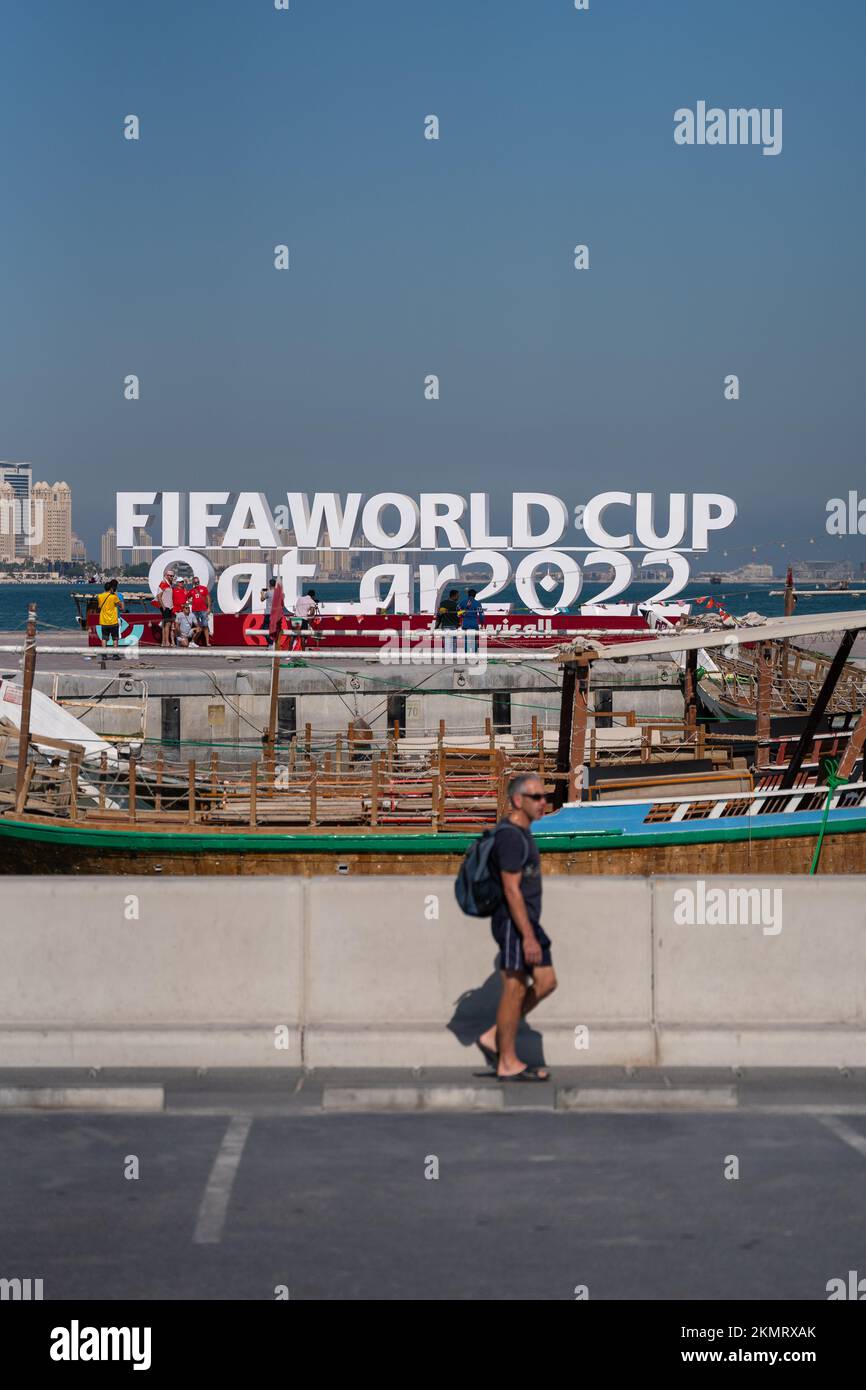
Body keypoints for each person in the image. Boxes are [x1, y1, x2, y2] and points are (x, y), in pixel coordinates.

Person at [476, 773, 556, 1082]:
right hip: (513, 922)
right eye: (536, 797)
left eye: (544, 796)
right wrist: (527, 937)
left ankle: (494, 1035)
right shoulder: (509, 836)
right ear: (518, 800)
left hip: (527, 921)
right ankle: (506, 1060)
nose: (543, 802)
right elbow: (511, 890)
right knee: (515, 987)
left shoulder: (523, 832)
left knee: (546, 981)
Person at [96, 580, 123, 656]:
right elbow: (120, 605)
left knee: (104, 638)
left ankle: (104, 655)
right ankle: (115, 655)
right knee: (115, 638)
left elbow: (99, 606)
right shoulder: (114, 597)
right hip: (113, 621)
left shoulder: (100, 596)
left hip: (103, 621)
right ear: (111, 588)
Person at [188, 575, 212, 647]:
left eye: (198, 582)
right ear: (193, 583)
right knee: (197, 627)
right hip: (195, 611)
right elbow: (186, 598)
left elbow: (208, 598)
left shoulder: (204, 588)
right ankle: (194, 642)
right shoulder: (191, 591)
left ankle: (207, 642)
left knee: (205, 626)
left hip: (203, 610)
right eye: (195, 582)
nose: (197, 583)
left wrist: (209, 608)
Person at [435, 588, 460, 653]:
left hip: (445, 626)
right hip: (454, 627)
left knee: (446, 643)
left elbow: (439, 616)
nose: (458, 597)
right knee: (454, 643)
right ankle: (454, 657)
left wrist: (436, 626)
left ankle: (448, 657)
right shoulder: (456, 605)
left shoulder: (442, 603)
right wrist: (458, 625)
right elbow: (459, 616)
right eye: (457, 596)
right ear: (453, 596)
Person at [459, 588, 485, 653]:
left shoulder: (462, 602)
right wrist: (482, 623)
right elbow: (481, 614)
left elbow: (458, 612)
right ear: (475, 595)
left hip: (465, 623)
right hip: (474, 624)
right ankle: (474, 653)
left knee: (466, 640)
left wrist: (463, 614)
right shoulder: (478, 603)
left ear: (468, 594)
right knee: (475, 640)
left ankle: (466, 654)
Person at [156, 568, 176, 647]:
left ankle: (163, 642)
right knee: (167, 624)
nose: (171, 577)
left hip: (169, 607)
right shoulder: (163, 583)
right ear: (166, 576)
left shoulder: (170, 584)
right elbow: (158, 596)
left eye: (172, 576)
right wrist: (163, 606)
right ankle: (167, 641)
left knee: (165, 624)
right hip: (166, 607)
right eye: (170, 576)